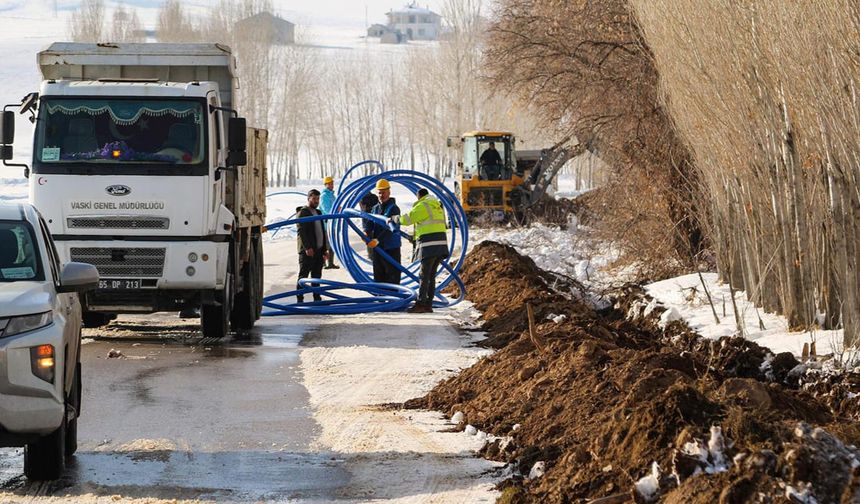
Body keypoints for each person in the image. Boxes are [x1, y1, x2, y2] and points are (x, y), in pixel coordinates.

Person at [391, 188, 448, 313]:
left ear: (419, 196)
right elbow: (430, 225)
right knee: (431, 276)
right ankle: (428, 304)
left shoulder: (423, 205)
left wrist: (395, 218)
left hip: (429, 245)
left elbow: (408, 219)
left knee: (424, 275)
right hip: (441, 245)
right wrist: (415, 237)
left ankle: (421, 304)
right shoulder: (437, 206)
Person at [363, 179, 401, 284]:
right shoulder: (375, 208)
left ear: (389, 192)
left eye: (384, 192)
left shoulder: (394, 209)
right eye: (379, 192)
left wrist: (378, 240)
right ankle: (380, 294)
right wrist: (366, 232)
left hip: (391, 248)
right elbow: (370, 222)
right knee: (379, 276)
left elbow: (391, 228)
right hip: (378, 248)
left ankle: (393, 295)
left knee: (392, 276)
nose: (381, 195)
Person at [296, 189, 329, 303]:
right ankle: (300, 300)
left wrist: (324, 250)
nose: (316, 201)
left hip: (318, 251)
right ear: (308, 198)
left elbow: (322, 232)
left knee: (316, 277)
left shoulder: (318, 212)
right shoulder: (303, 213)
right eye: (314, 198)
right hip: (308, 251)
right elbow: (302, 232)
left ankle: (317, 299)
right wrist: (307, 247)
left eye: (318, 198)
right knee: (303, 277)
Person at [320, 176, 340, 269]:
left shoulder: (332, 195)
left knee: (332, 244)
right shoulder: (324, 196)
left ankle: (331, 263)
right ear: (325, 185)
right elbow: (327, 210)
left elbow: (335, 207)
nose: (332, 185)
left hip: (333, 223)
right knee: (326, 244)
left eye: (332, 183)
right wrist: (336, 211)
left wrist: (339, 209)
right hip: (326, 224)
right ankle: (323, 263)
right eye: (330, 184)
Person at [359, 191, 380, 259]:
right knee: (373, 238)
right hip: (373, 221)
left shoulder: (361, 198)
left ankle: (372, 255)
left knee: (369, 239)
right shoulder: (373, 197)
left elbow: (363, 210)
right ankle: (373, 255)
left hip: (368, 222)